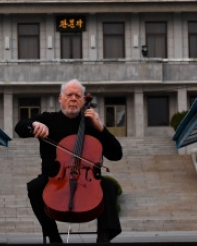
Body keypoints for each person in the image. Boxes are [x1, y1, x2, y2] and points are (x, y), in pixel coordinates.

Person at [15, 79, 123, 243]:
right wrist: (34, 124)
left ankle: (103, 239)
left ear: (82, 100)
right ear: (60, 98)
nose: (73, 98)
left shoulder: (92, 124)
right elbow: (20, 128)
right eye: (69, 95)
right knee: (34, 187)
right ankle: (54, 237)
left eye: (78, 96)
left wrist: (101, 128)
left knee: (109, 187)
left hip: (87, 182)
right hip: (54, 180)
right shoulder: (49, 119)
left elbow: (116, 154)